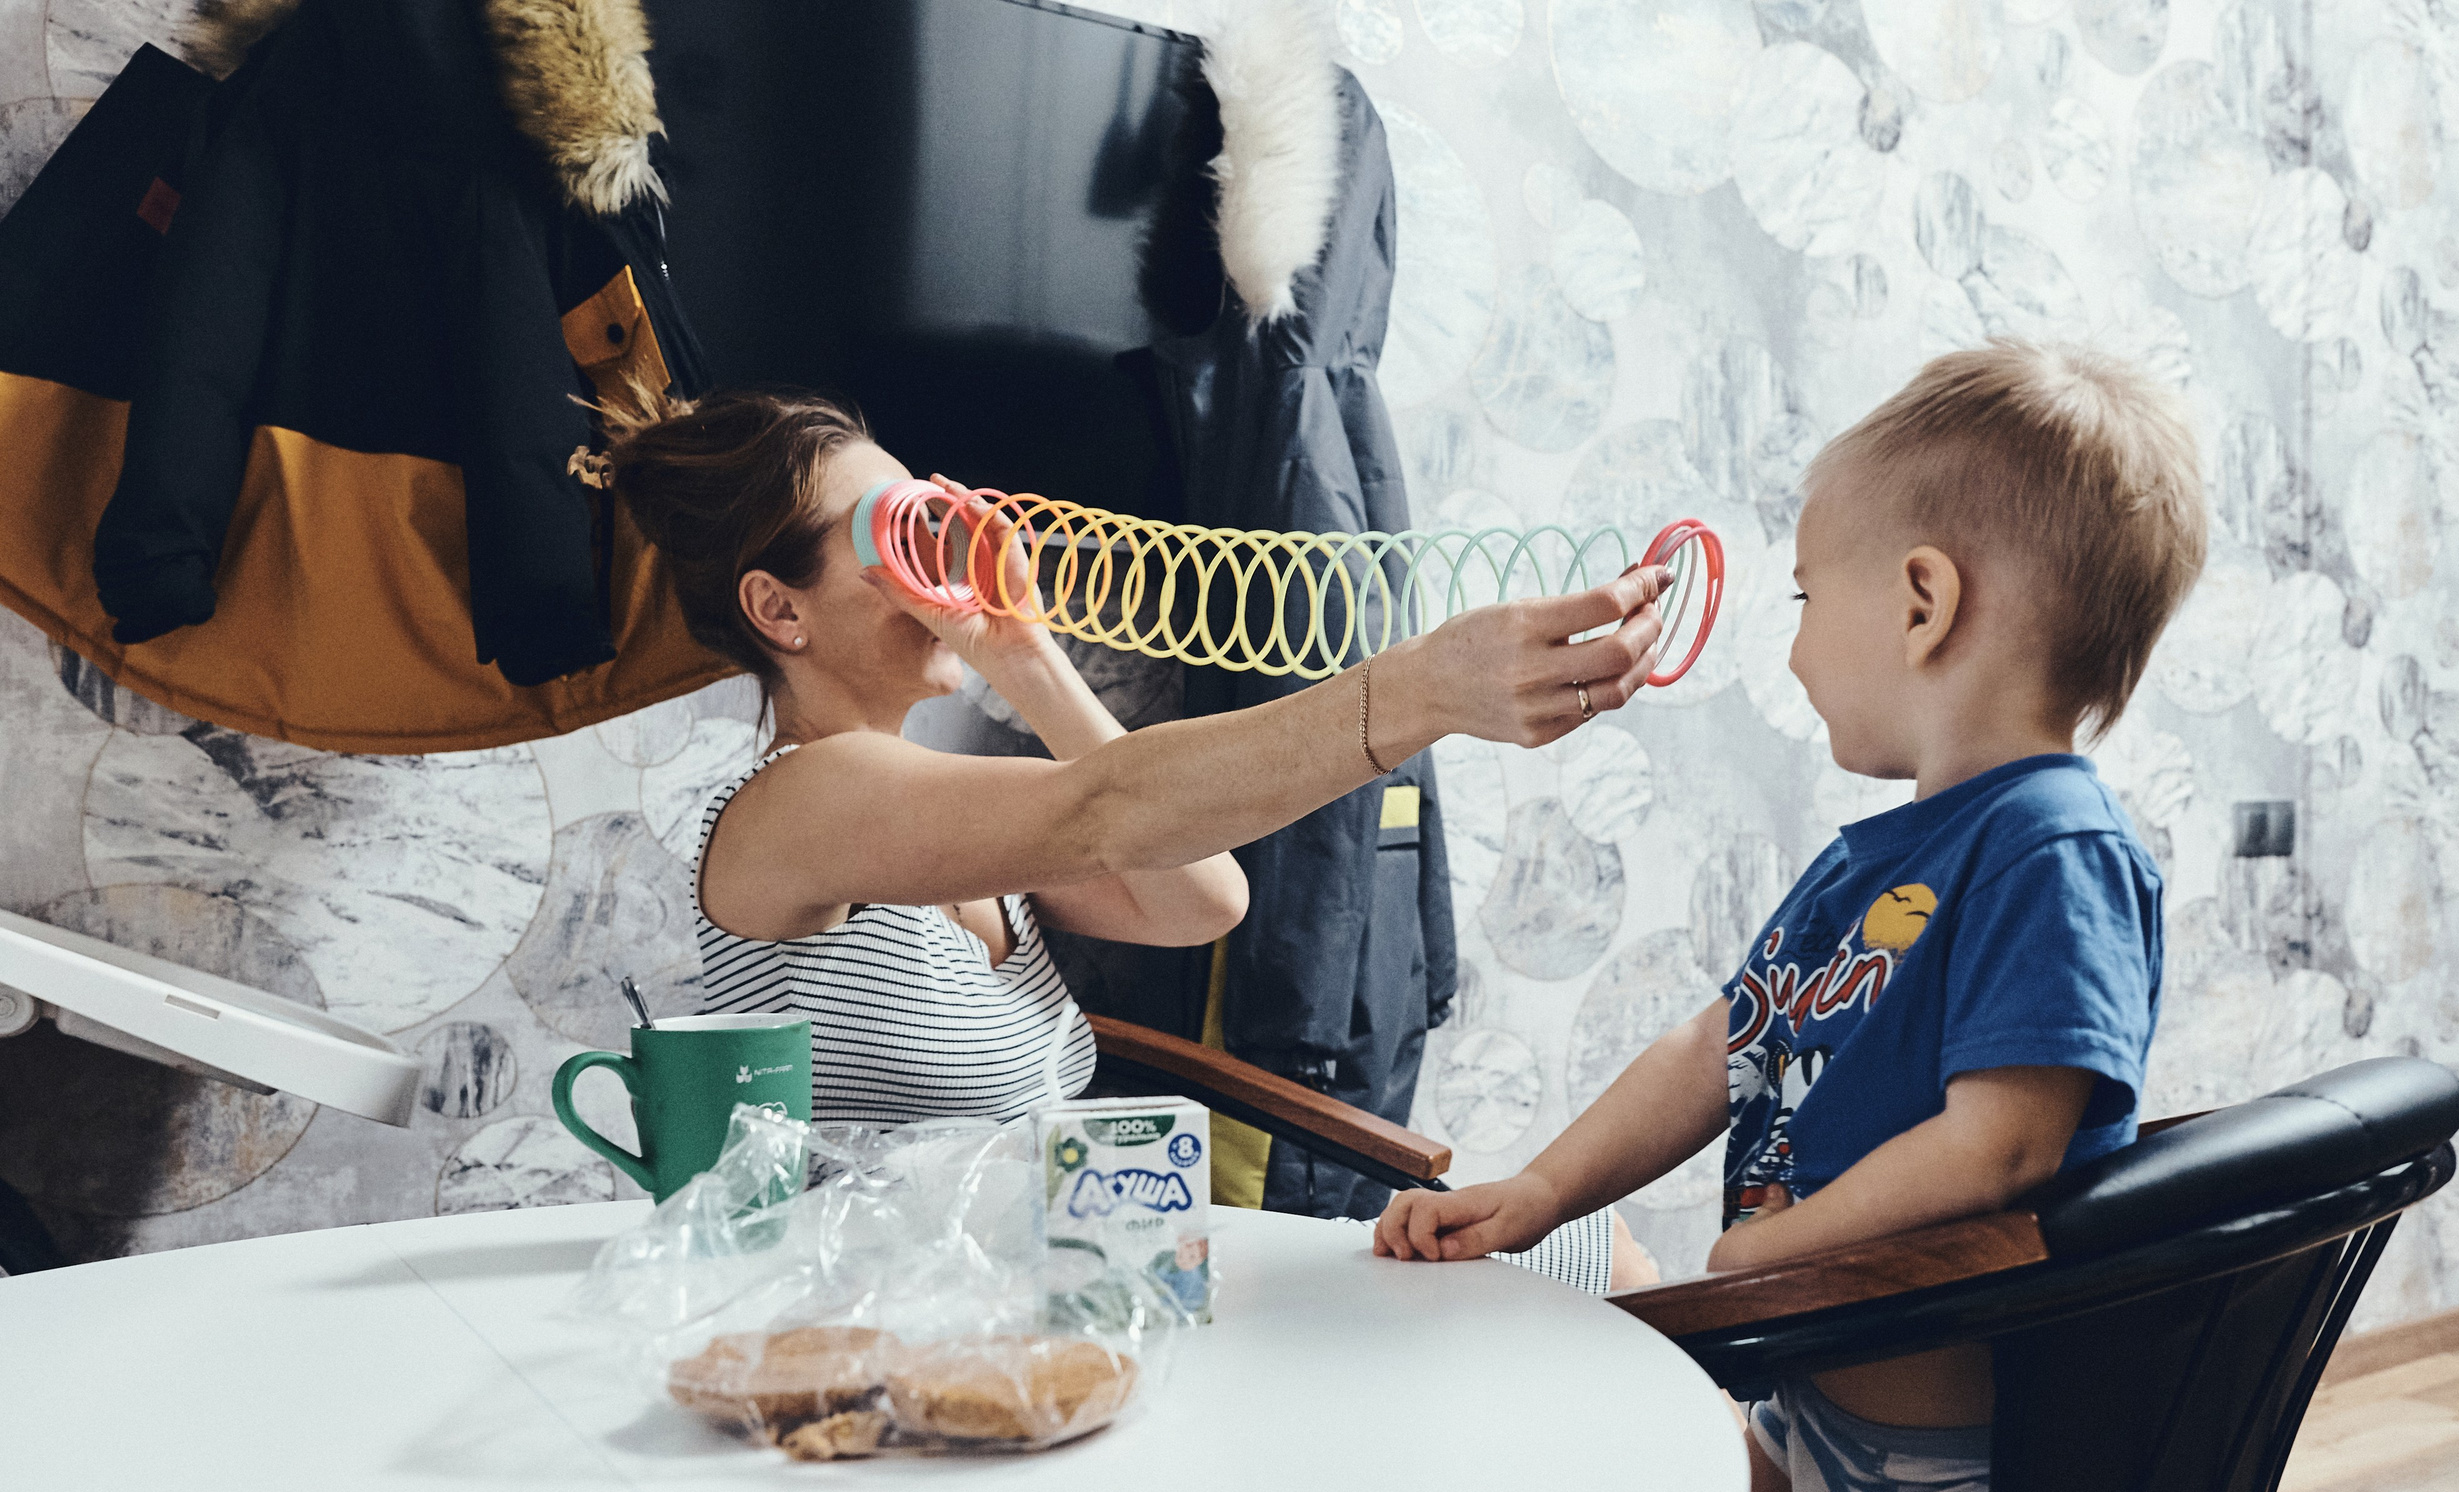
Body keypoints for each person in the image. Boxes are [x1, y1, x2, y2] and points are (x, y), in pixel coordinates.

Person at [1372, 340, 2206, 1492]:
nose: (1800, 643)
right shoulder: (1860, 865)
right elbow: (1716, 1049)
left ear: (1925, 599)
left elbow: (2005, 1143)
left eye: (1813, 596)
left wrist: (1770, 1249)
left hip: (1973, 1483)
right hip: (1807, 1414)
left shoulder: (2054, 846)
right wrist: (1535, 1188)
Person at [593, 387, 1669, 1125]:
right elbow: (1111, 807)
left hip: (1022, 1289)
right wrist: (1424, 688)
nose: (939, 557)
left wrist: (1023, 653)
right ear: (779, 608)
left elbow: (1200, 897)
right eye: (894, 535)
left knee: (1588, 1262)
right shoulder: (805, 801)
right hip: (896, 1331)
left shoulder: (942, 823)